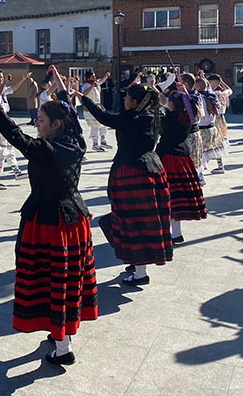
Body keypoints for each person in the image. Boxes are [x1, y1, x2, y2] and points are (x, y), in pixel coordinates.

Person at [0, 74, 97, 366]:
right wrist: (62, 90)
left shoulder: (47, 150)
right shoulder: (75, 141)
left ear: (56, 124)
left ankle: (63, 346)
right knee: (65, 279)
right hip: (73, 219)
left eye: (41, 120)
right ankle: (62, 333)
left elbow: (15, 136)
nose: (37, 124)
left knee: (52, 280)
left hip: (49, 224)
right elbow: (69, 112)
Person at [82, 82, 172, 286]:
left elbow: (104, 117)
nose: (123, 101)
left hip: (132, 173)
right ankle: (138, 264)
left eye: (126, 98)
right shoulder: (155, 115)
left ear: (134, 101)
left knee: (132, 220)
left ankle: (140, 272)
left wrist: (84, 99)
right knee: (147, 219)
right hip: (152, 169)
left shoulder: (131, 119)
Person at [158, 92, 206, 244]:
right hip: (183, 158)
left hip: (166, 157)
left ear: (173, 103)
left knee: (165, 197)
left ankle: (167, 233)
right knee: (177, 197)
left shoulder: (168, 117)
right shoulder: (188, 118)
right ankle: (176, 233)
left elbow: (159, 128)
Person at [0, 68, 28, 190]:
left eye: (3, 78)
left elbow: (13, 89)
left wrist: (22, 80)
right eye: (0, 78)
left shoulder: (1, 89)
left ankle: (16, 171)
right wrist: (5, 83)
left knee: (9, 147)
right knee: (0, 152)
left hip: (3, 120)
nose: (2, 80)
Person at [195, 77, 226, 174]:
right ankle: (220, 166)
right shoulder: (212, 96)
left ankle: (200, 173)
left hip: (202, 128)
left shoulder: (199, 98)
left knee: (199, 151)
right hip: (212, 126)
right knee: (215, 147)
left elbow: (199, 115)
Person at [82, 71, 113, 152]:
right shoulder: (86, 85)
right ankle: (95, 144)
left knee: (104, 122)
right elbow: (84, 94)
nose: (94, 78)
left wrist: (106, 75)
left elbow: (101, 80)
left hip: (98, 106)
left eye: (94, 76)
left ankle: (103, 141)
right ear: (88, 78)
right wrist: (92, 86)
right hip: (90, 107)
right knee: (95, 125)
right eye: (93, 76)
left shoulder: (96, 83)